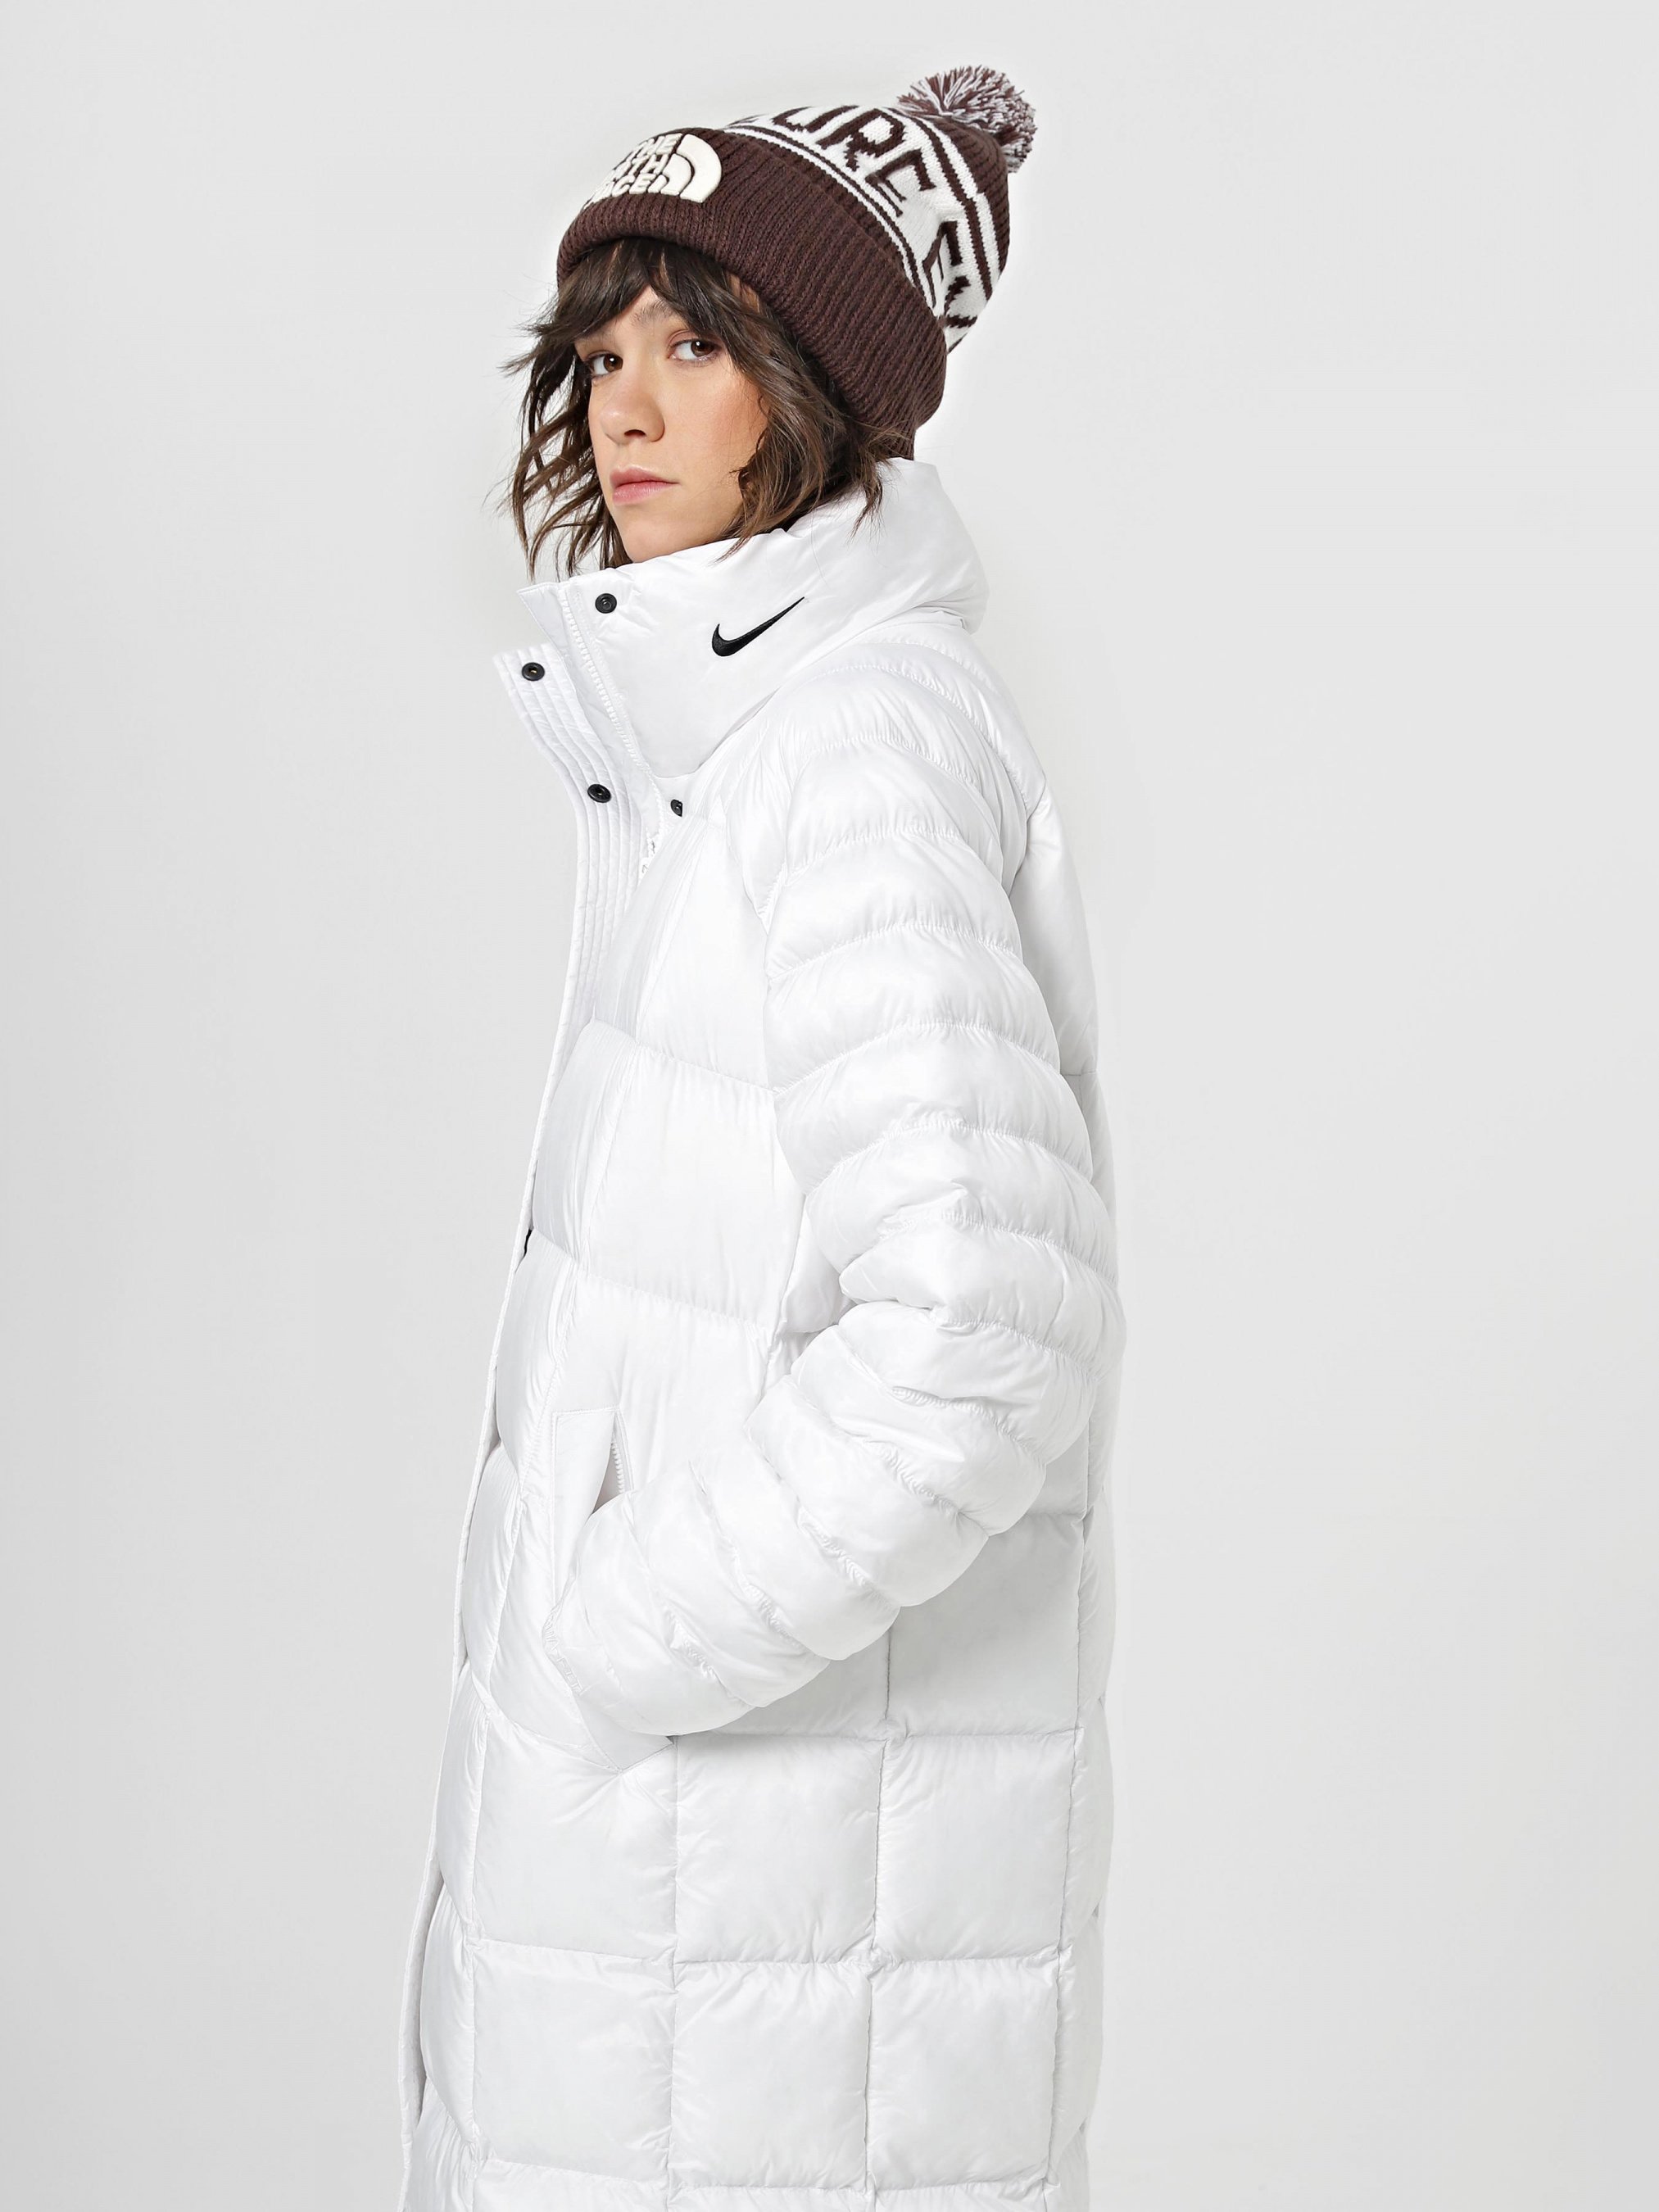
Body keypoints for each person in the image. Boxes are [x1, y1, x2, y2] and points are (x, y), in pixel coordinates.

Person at [396, 66, 1126, 2212]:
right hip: (695, 1925)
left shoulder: (847, 758)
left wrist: (617, 1628)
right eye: (602, 350)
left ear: (807, 393)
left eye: (692, 346)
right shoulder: (722, 746)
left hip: (754, 1934)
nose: (624, 405)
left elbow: (987, 1327)